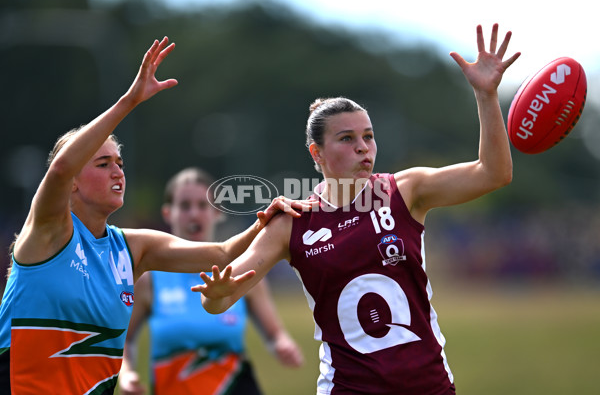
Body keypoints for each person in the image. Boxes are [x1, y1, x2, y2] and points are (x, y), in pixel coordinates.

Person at [193, 24, 520, 394]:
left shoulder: (406, 191)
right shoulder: (292, 222)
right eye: (347, 139)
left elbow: (494, 174)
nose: (363, 147)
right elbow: (219, 299)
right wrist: (216, 290)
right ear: (316, 153)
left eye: (368, 136)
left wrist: (486, 95)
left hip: (429, 386)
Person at [0, 37, 309, 394]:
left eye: (120, 163)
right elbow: (60, 168)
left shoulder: (133, 248)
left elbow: (223, 253)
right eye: (103, 164)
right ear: (72, 184)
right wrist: (130, 101)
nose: (118, 172)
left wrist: (264, 222)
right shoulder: (48, 235)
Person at [118, 167, 304, 395]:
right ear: (168, 214)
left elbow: (275, 334)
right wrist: (127, 374)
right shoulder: (149, 279)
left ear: (217, 212)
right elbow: (124, 341)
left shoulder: (243, 269)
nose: (194, 214)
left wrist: (282, 344)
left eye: (202, 205)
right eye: (185, 206)